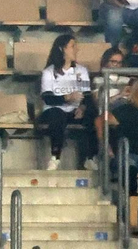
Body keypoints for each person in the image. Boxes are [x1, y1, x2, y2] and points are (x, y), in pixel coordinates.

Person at [38, 29, 94, 171]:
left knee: (93, 115)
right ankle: (55, 157)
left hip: (75, 111)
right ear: (62, 49)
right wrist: (66, 97)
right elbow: (48, 98)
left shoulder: (81, 71)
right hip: (54, 110)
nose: (77, 49)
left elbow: (87, 95)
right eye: (73, 46)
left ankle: (90, 158)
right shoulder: (49, 72)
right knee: (56, 115)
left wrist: (83, 107)